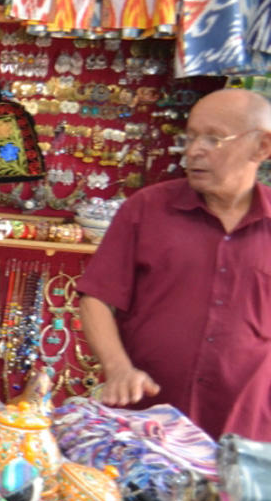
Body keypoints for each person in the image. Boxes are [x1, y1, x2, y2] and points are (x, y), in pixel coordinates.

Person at [79, 87, 271, 441]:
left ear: (262, 147)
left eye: (214, 139)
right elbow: (95, 298)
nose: (195, 150)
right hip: (146, 426)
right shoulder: (148, 209)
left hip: (246, 434)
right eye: (191, 137)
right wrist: (118, 368)